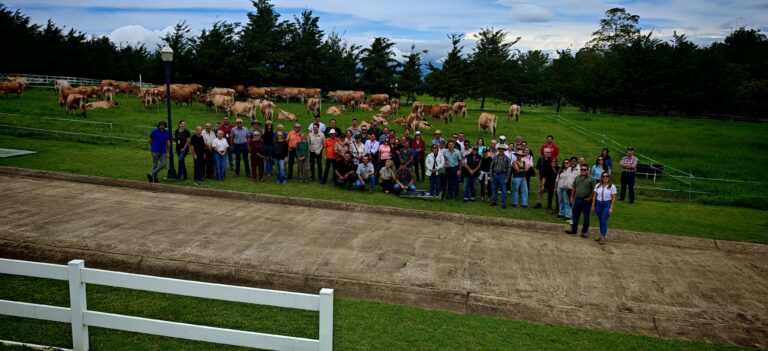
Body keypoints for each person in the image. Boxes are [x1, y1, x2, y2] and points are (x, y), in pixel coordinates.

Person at [565, 164, 597, 237]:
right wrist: (572, 197)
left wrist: (590, 198)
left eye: (585, 169)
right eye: (582, 169)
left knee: (586, 217)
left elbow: (594, 190)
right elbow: (574, 187)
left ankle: (584, 232)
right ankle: (574, 230)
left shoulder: (591, 179)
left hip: (586, 200)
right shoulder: (577, 178)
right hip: (577, 199)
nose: (583, 171)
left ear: (588, 170)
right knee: (574, 216)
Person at [592, 171, 617, 245]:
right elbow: (594, 196)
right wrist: (593, 205)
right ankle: (601, 234)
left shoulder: (612, 186)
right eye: (603, 176)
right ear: (601, 177)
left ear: (609, 177)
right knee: (600, 220)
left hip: (607, 204)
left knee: (604, 220)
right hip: (599, 204)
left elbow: (613, 198)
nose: (605, 177)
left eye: (606, 176)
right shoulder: (598, 185)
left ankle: (603, 236)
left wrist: (611, 208)